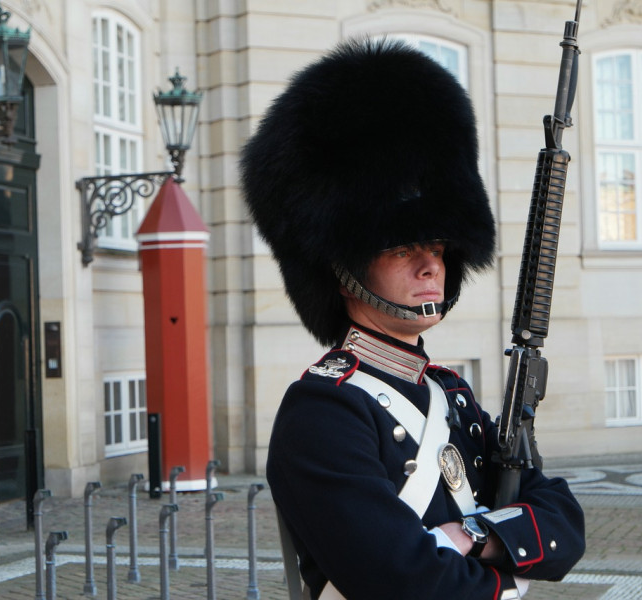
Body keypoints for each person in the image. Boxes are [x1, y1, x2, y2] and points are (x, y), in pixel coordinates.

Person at [239, 38, 585, 599]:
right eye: (402, 248)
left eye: (438, 244)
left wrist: (473, 535)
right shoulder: (323, 412)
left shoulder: (450, 394)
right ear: (345, 266)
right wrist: (502, 571)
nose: (431, 264)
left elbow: (563, 523)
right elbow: (403, 579)